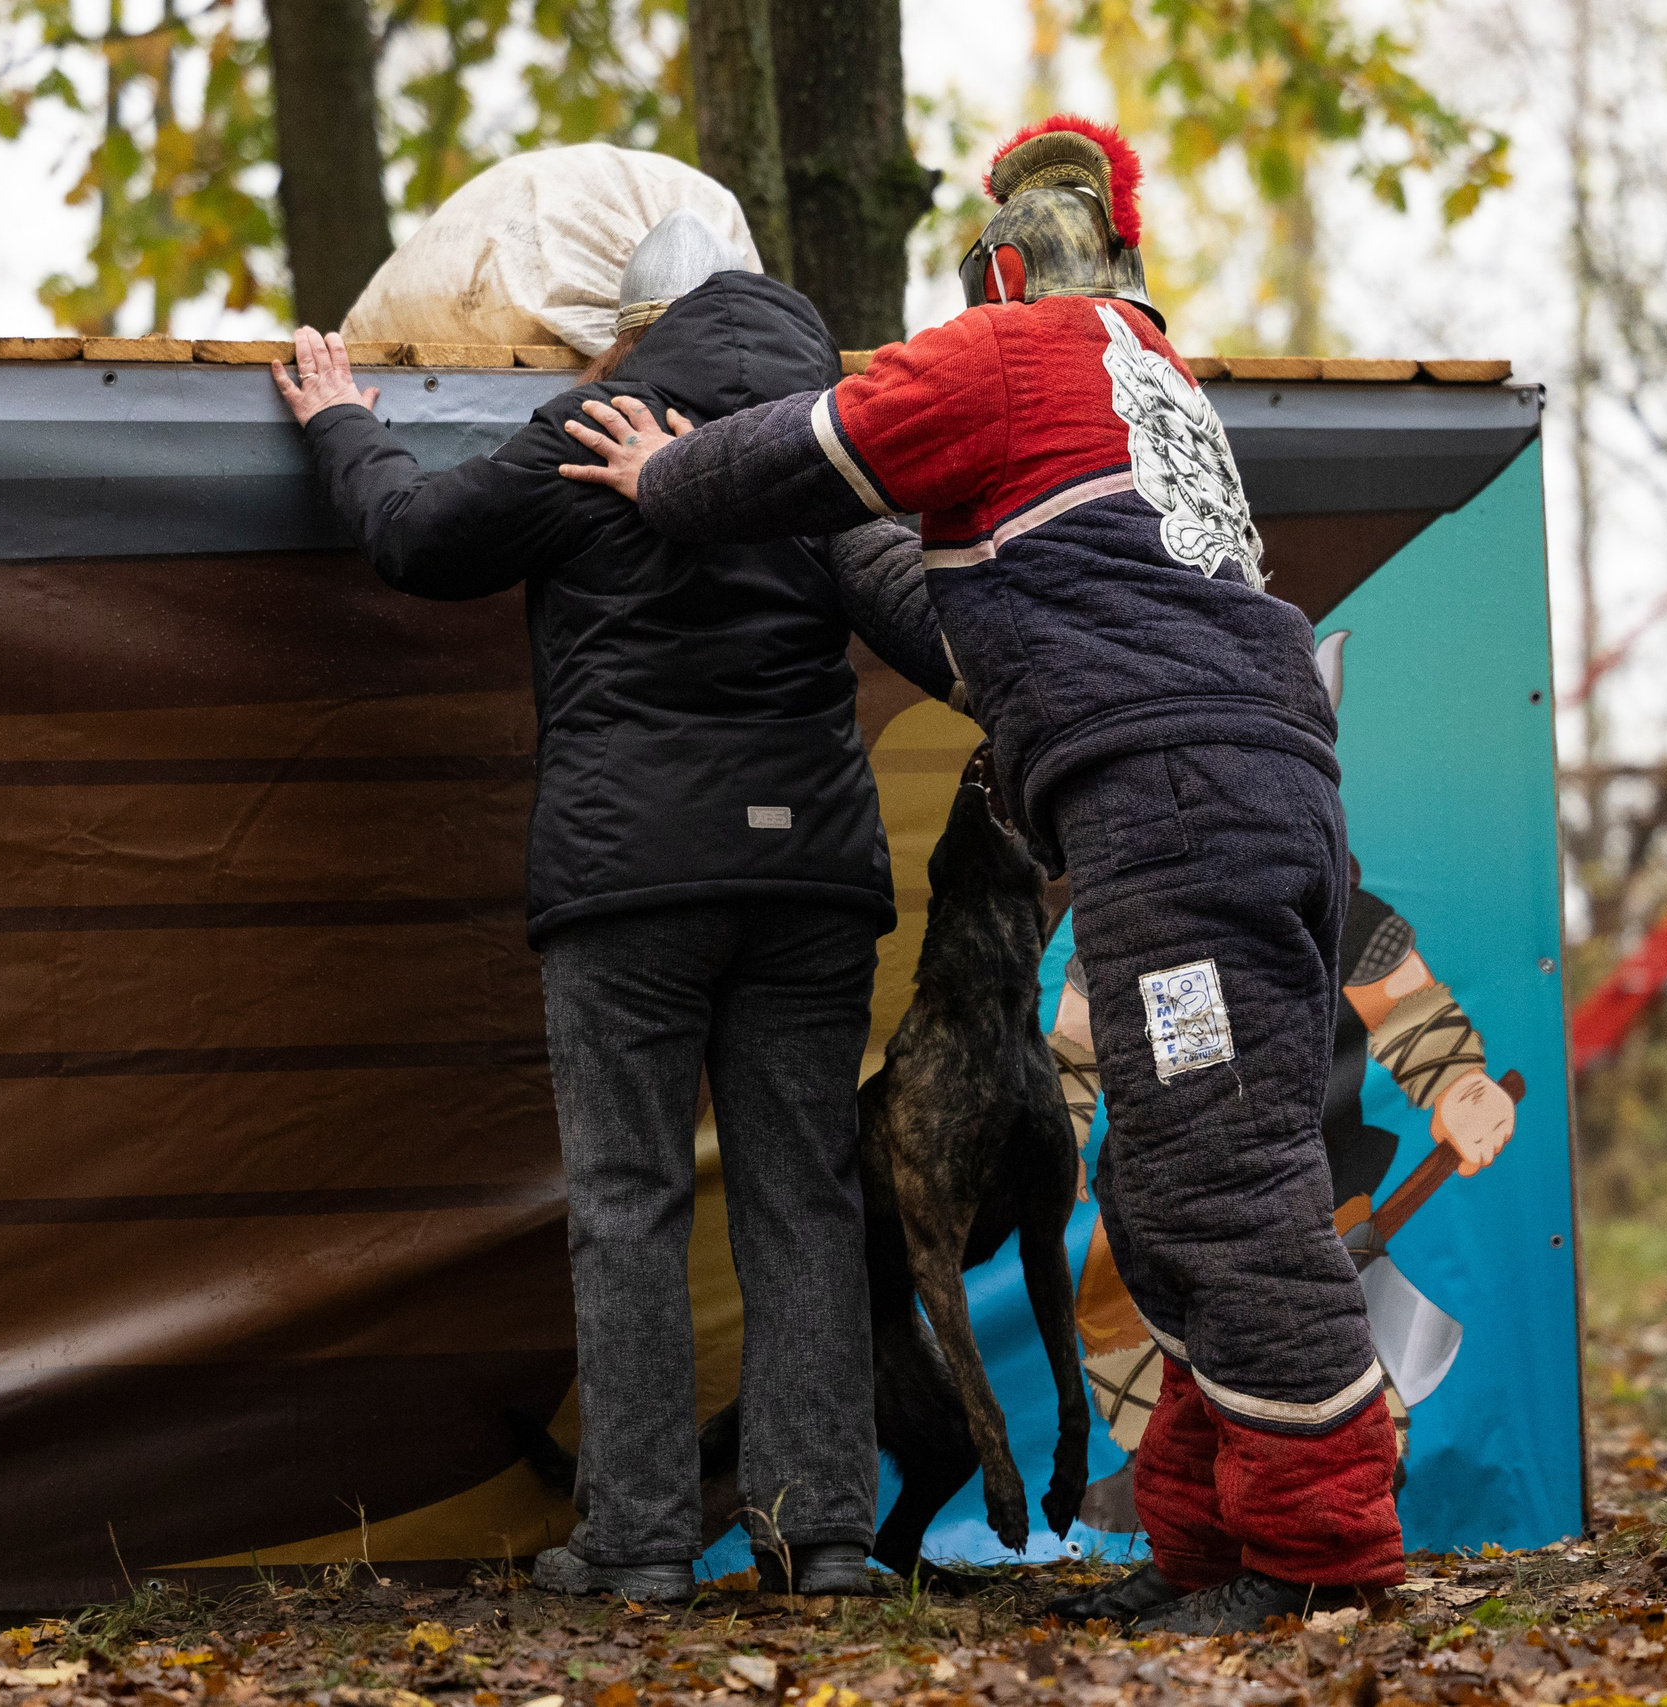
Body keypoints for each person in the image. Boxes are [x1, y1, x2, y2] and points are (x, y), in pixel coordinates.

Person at [555, 119, 1403, 1634]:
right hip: (1262, 801)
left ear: (999, 273)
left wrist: (670, 471)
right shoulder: (1156, 382)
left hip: (1172, 818)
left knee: (1216, 1184)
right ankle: (1213, 1542)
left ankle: (1317, 1555)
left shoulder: (1007, 355)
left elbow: (804, 441)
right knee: (1169, 1175)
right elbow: (974, 632)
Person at [270, 210, 954, 1602]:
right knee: (805, 1201)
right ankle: (821, 1532)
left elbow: (417, 540)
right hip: (809, 877)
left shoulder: (595, 426)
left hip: (631, 875)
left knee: (630, 1200)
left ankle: (638, 1542)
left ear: (632, 332)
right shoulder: (827, 445)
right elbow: (928, 611)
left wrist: (342, 424)